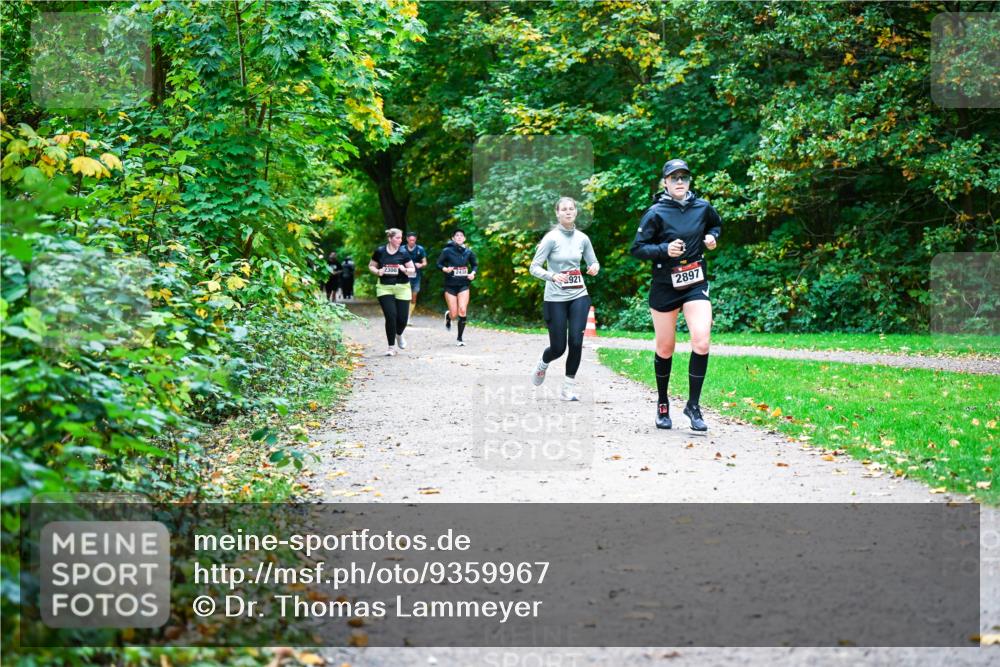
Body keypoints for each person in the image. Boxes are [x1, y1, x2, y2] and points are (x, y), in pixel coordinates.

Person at [630, 159, 721, 431]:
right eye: (674, 178)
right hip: (665, 285)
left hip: (695, 282)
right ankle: (662, 403)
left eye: (684, 177)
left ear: (689, 181)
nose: (679, 182)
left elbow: (715, 226)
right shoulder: (655, 212)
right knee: (665, 348)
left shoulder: (703, 207)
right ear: (665, 183)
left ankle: (693, 406)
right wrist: (664, 250)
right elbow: (638, 248)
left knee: (702, 341)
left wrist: (712, 237)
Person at [529, 197, 600, 401]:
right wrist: (552, 276)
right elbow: (534, 267)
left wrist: (594, 267)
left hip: (579, 294)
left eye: (571, 209)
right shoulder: (551, 238)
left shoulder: (583, 238)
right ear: (557, 213)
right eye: (564, 209)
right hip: (555, 298)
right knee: (558, 348)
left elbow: (593, 261)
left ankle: (568, 388)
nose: (568, 212)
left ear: (576, 212)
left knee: (576, 342)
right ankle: (543, 363)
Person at [369, 228, 416, 356]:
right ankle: (391, 347)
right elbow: (371, 265)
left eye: (401, 238)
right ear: (390, 238)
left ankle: (399, 334)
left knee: (402, 319)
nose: (400, 240)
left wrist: (405, 270)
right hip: (384, 287)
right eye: (397, 238)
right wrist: (378, 271)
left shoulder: (404, 252)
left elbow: (412, 269)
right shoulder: (380, 251)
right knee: (391, 316)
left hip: (402, 287)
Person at [436, 229, 477, 346]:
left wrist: (473, 273)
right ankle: (449, 316)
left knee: (462, 310)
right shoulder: (447, 251)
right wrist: (445, 269)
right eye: (457, 235)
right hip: (450, 285)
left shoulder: (468, 252)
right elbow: (438, 264)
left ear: (464, 238)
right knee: (454, 314)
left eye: (461, 235)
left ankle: (460, 339)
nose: (459, 237)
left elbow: (474, 265)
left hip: (463, 284)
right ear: (453, 238)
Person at [404, 232, 428, 314]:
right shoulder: (402, 249)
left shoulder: (420, 249)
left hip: (416, 276)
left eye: (413, 240)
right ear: (407, 239)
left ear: (416, 240)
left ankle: (409, 314)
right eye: (410, 240)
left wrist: (421, 265)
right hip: (404, 276)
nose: (412, 242)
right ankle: (405, 315)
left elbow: (425, 263)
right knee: (404, 296)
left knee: (413, 297)